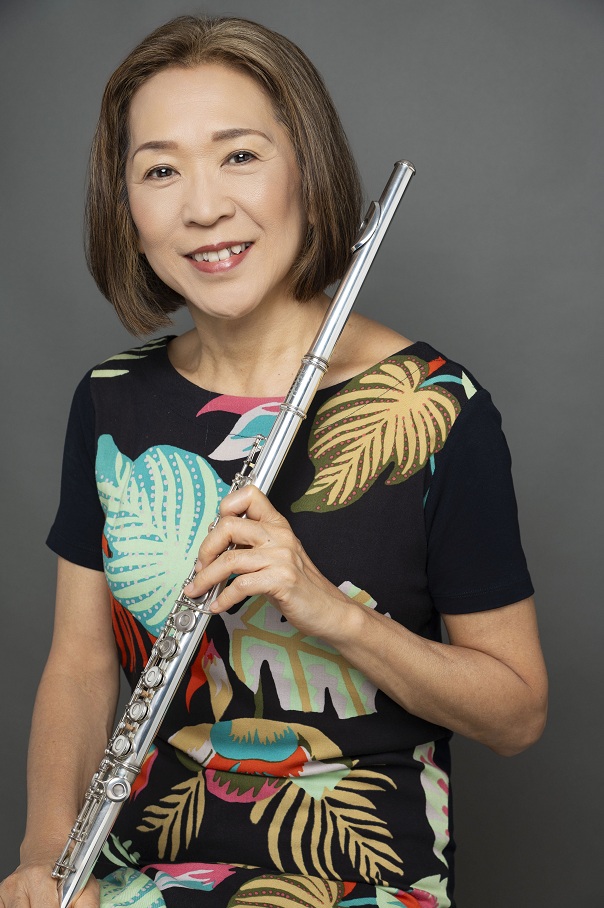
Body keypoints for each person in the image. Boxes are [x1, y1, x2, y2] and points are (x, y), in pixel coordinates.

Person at [0, 15, 548, 908]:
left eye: (240, 156)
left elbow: (518, 714)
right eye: (161, 170)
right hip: (144, 869)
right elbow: (80, 665)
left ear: (309, 174)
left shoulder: (436, 410)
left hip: (356, 875)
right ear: (126, 208)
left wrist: (332, 613)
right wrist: (44, 858)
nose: (204, 207)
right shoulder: (110, 402)